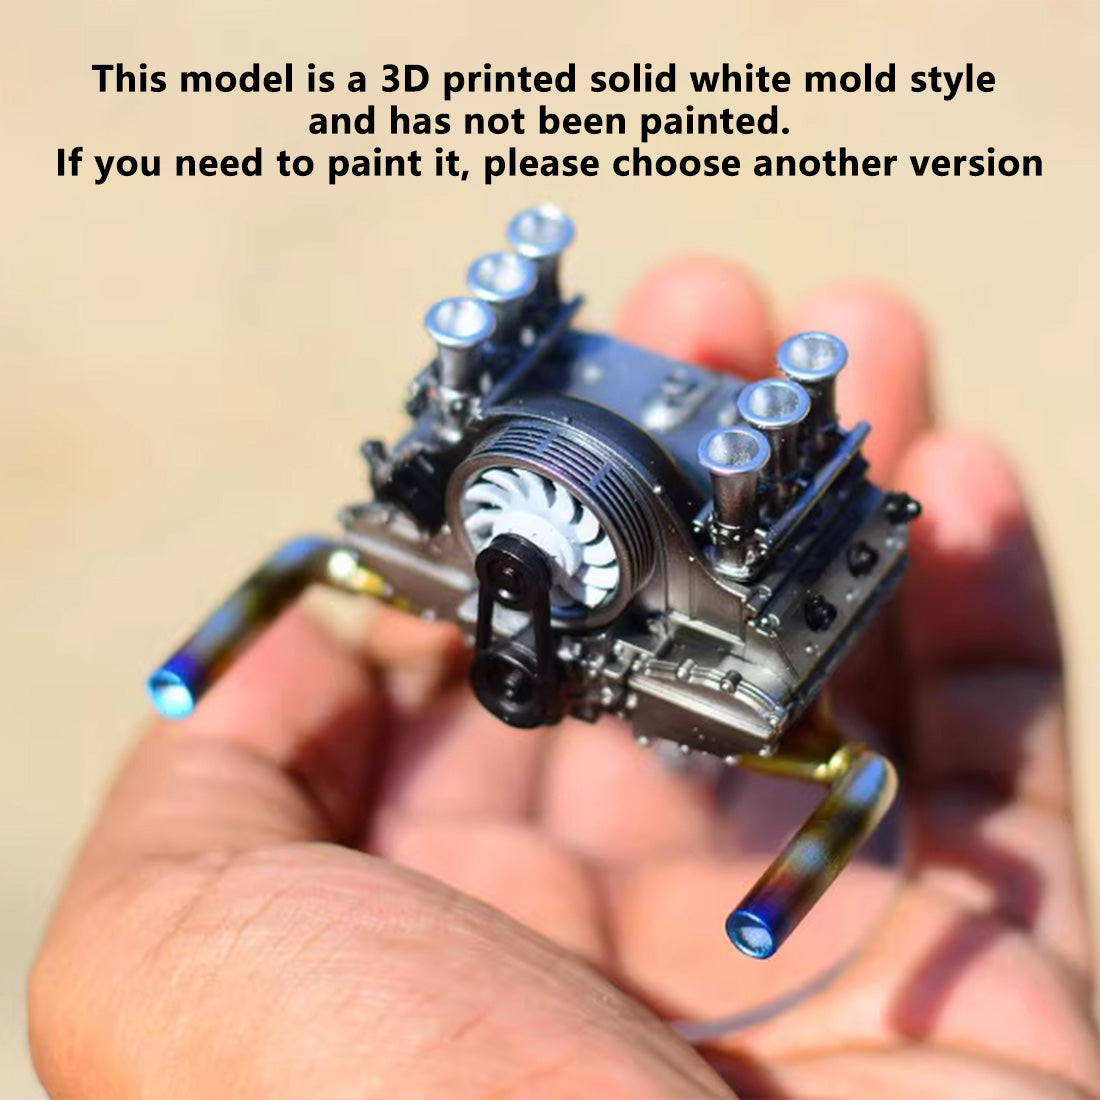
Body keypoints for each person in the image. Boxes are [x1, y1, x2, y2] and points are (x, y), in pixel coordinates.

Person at [28, 260, 1100, 1098]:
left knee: (843, 759)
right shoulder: (504, 532)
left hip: (647, 587)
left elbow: (854, 776)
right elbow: (325, 557)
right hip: (565, 559)